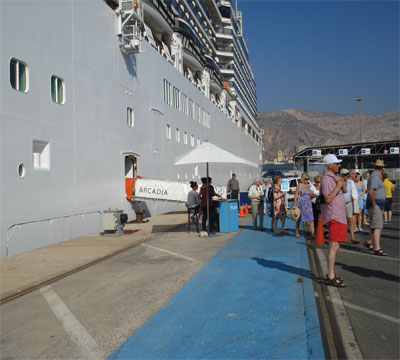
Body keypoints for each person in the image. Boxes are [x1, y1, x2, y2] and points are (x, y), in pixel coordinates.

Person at [320, 154, 347, 287]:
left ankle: (331, 273)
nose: (339, 165)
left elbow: (345, 190)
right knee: (333, 245)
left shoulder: (335, 178)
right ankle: (330, 275)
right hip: (334, 215)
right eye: (336, 163)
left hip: (340, 215)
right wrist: (338, 185)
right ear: (330, 165)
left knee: (336, 245)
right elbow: (328, 199)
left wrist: (342, 182)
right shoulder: (326, 179)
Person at [364, 160, 387, 256]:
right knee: (378, 226)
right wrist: (374, 204)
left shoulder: (376, 176)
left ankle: (369, 241)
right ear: (382, 168)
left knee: (375, 224)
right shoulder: (375, 176)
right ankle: (377, 247)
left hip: (378, 203)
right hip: (376, 204)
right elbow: (371, 191)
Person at [294, 173, 314, 238]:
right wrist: (296, 204)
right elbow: (296, 195)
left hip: (308, 204)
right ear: (303, 179)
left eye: (308, 179)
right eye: (306, 179)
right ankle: (297, 232)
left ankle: (312, 233)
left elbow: (311, 195)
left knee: (311, 218)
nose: (307, 180)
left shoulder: (309, 185)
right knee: (299, 219)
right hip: (301, 204)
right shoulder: (299, 185)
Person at [341, 168, 358, 243]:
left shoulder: (351, 182)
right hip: (341, 203)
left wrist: (354, 197)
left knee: (350, 220)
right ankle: (342, 237)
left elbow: (354, 191)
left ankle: (352, 237)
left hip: (348, 203)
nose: (346, 176)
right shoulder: (339, 182)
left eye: (347, 174)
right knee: (342, 221)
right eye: (344, 174)